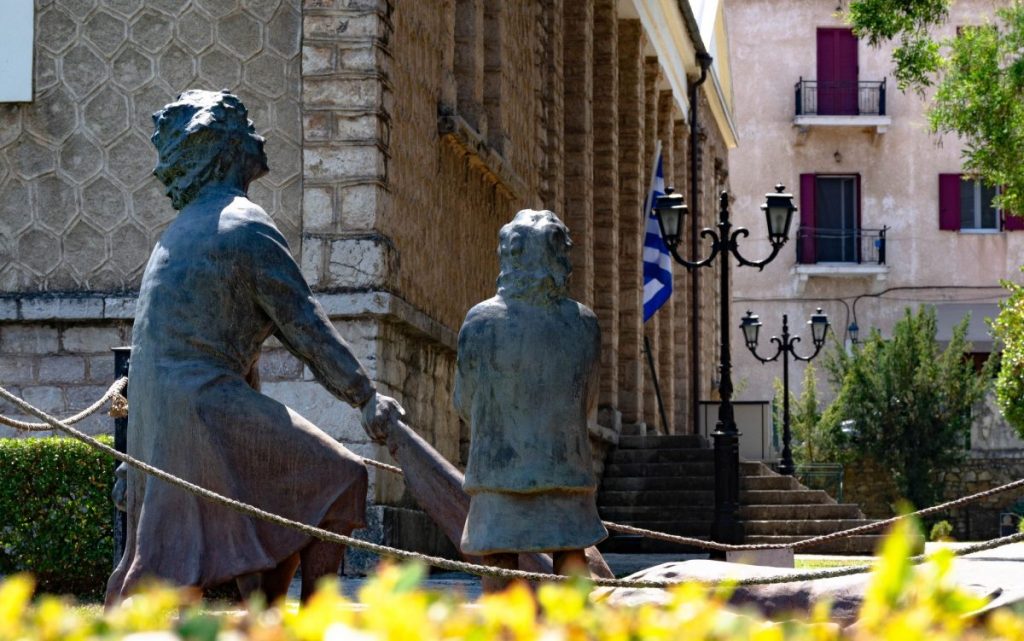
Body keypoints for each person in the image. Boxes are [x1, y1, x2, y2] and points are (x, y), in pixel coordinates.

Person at [105, 89, 404, 606]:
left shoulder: (180, 229)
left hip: (167, 417)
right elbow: (305, 325)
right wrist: (365, 397)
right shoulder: (243, 224)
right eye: (245, 126)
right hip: (202, 411)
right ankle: (314, 621)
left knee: (280, 508)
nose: (258, 136)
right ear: (225, 149)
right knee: (342, 480)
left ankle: (264, 617)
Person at [454, 209, 607, 590]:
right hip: (567, 474)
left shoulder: (480, 321)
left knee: (499, 560)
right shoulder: (584, 324)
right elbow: (588, 402)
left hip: (497, 473)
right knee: (571, 556)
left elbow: (463, 401)